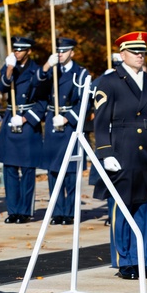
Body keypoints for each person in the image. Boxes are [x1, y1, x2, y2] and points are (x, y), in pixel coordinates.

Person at [92, 31, 147, 280]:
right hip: (122, 152)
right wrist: (105, 153)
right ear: (122, 54)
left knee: (145, 210)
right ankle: (125, 262)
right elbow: (100, 123)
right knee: (122, 209)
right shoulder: (110, 82)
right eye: (134, 51)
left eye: (142, 51)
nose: (140, 55)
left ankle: (141, 260)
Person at [37, 37, 89, 226]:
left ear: (72, 53)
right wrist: (45, 67)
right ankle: (57, 211)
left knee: (71, 171)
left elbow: (85, 101)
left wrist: (68, 117)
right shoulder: (51, 70)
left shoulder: (81, 73)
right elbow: (37, 87)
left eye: (64, 51)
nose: (60, 54)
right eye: (58, 51)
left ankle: (70, 212)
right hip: (53, 121)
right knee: (54, 171)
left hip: (69, 124)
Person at [0, 37, 44, 224]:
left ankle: (25, 211)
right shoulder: (10, 66)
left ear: (28, 51)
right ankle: (13, 210)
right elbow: (2, 87)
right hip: (10, 118)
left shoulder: (36, 71)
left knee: (28, 170)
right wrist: (8, 68)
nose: (17, 52)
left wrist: (25, 118)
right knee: (10, 168)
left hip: (27, 121)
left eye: (21, 50)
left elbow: (43, 101)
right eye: (15, 49)